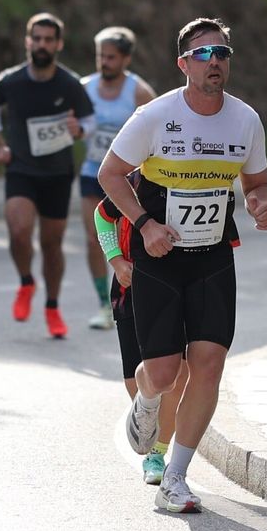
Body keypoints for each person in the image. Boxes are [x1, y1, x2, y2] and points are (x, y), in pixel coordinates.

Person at [98, 17, 267, 514]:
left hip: (213, 256)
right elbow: (110, 176)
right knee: (161, 370)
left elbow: (257, 182)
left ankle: (176, 476)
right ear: (183, 65)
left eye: (222, 53)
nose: (215, 61)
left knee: (209, 365)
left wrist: (262, 203)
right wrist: (146, 225)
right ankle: (147, 402)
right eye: (204, 54)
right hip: (161, 256)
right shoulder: (154, 116)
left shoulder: (245, 120)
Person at [94, 170, 231, 485]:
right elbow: (102, 216)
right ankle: (146, 416)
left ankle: (157, 452)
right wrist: (115, 260)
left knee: (179, 372)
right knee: (139, 377)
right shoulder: (138, 179)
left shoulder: (199, 177)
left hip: (173, 281)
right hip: (131, 286)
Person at [0, 12, 95, 339]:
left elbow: (90, 121)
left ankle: (52, 306)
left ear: (58, 44)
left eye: (48, 39)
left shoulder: (69, 84)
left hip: (57, 173)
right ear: (27, 41)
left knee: (51, 244)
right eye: (36, 38)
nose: (42, 45)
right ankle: (26, 282)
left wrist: (79, 130)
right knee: (19, 231)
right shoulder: (12, 81)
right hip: (21, 168)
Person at [79, 27, 157, 331]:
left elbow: (155, 133)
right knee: (94, 238)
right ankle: (102, 302)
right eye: (101, 56)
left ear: (125, 59)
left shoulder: (139, 93)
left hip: (128, 181)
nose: (104, 62)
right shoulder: (85, 87)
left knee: (129, 241)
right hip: (92, 172)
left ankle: (135, 295)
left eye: (111, 57)